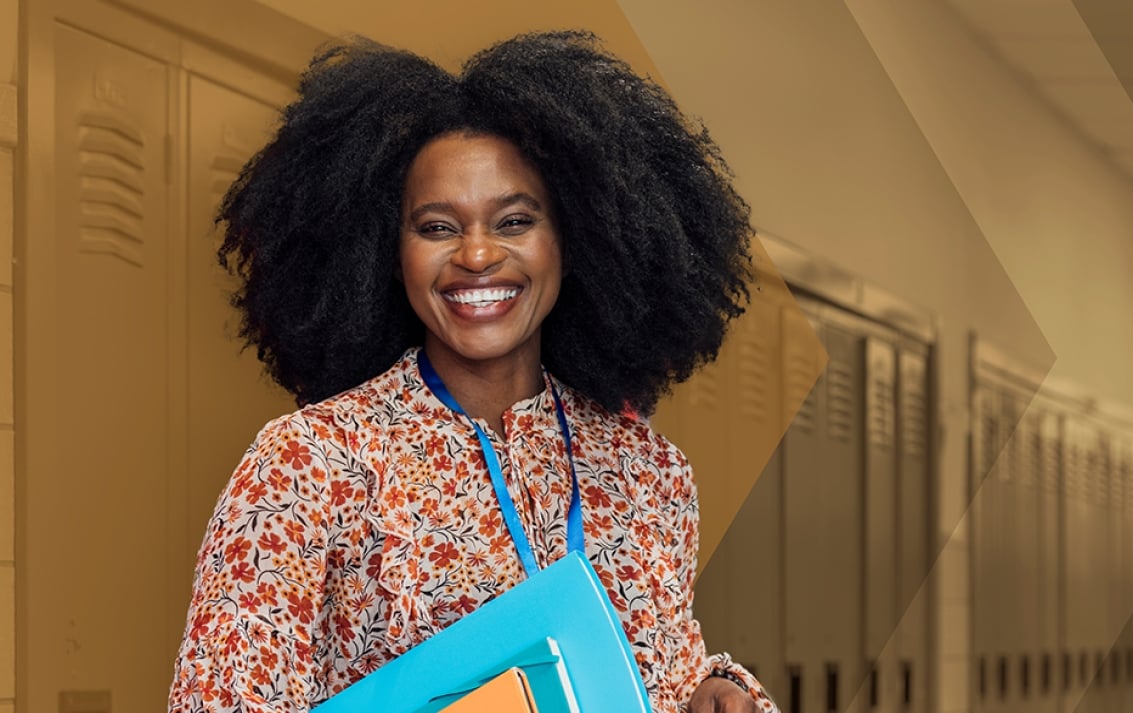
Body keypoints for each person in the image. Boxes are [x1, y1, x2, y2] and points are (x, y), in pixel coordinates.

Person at [168, 31, 776, 713]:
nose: (478, 255)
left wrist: (717, 690)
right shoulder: (311, 464)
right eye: (437, 227)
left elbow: (659, 672)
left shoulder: (649, 472)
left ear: (574, 239)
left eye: (514, 221)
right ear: (388, 251)